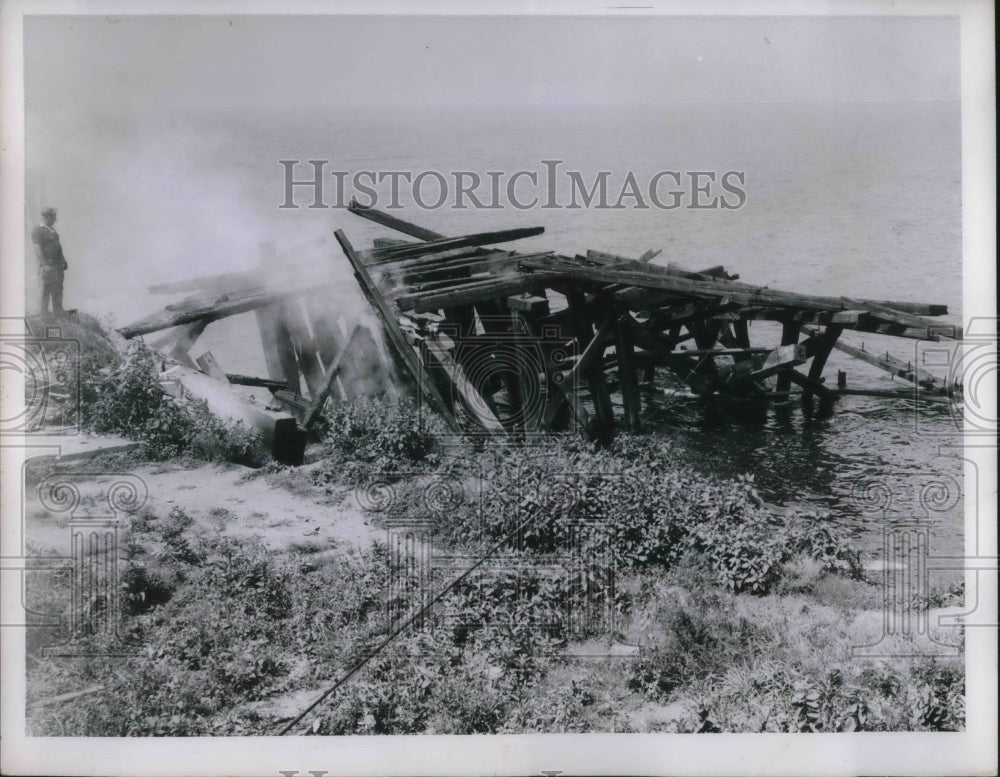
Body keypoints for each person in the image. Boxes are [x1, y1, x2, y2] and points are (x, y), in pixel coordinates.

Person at [31, 206, 68, 315]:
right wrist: (45, 265)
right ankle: (43, 313)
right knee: (45, 289)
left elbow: (58, 246)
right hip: (47, 264)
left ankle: (58, 311)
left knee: (58, 288)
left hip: (57, 264)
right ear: (46, 217)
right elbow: (37, 249)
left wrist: (63, 260)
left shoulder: (53, 230)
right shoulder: (38, 230)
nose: (55, 218)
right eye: (53, 216)